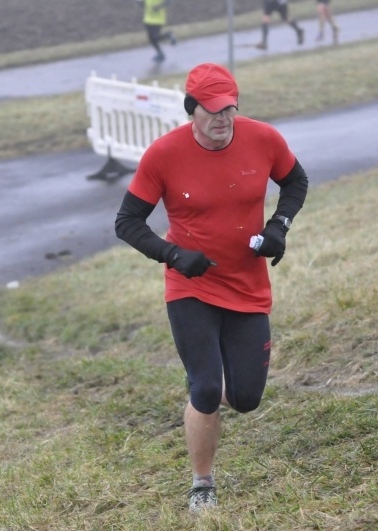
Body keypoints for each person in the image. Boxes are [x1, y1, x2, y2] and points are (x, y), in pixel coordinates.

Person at [115, 63, 308, 512]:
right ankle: (202, 482)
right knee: (204, 390)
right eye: (214, 111)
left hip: (247, 285)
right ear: (192, 110)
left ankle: (215, 385)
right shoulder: (164, 155)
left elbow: (295, 181)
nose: (224, 120)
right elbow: (127, 222)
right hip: (191, 286)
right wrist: (172, 254)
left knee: (246, 399)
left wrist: (279, 225)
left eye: (230, 110)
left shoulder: (263, 139)